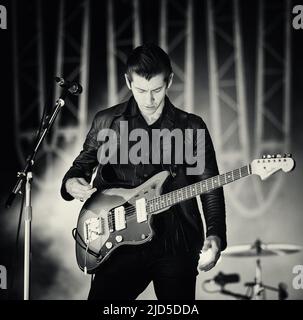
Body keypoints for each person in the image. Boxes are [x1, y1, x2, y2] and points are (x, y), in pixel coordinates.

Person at [61, 43, 226, 300]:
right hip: (118, 243)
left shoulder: (191, 127)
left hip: (176, 241)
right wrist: (72, 184)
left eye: (157, 90)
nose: (149, 99)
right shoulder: (107, 121)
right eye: (141, 90)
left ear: (169, 81)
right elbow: (79, 168)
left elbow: (210, 187)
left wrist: (215, 235)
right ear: (128, 82)